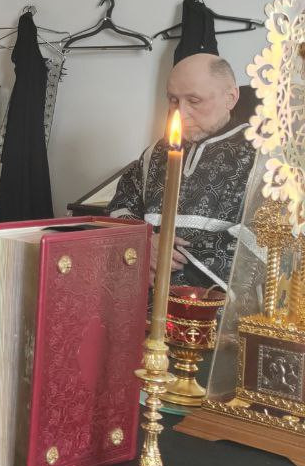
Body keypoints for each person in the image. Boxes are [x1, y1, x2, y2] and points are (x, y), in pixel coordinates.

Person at [107, 52, 256, 291]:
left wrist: (171, 265)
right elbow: (122, 205)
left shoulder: (263, 156)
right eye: (173, 100)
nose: (180, 113)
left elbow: (265, 235)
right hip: (141, 294)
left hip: (213, 302)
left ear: (231, 97)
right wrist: (141, 242)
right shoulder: (156, 152)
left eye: (194, 100)